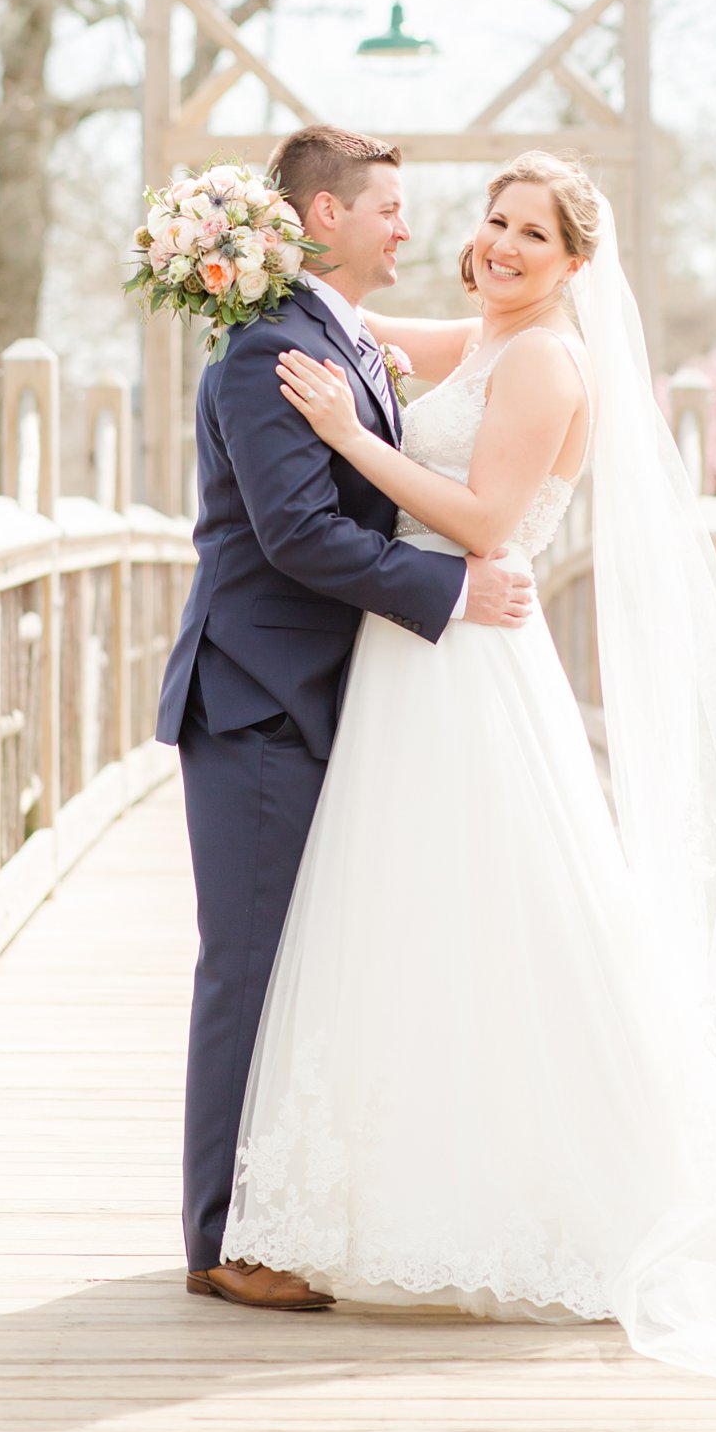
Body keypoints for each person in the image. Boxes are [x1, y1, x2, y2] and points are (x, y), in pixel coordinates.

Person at [219, 151, 716, 1413]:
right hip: (417, 662)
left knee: (499, 910)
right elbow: (352, 323)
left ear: (575, 264)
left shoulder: (543, 359)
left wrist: (338, 439)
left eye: (528, 234)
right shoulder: (489, 335)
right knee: (413, 916)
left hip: (466, 657)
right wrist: (239, 254)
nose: (495, 246)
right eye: (488, 222)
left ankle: (558, 1188)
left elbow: (485, 524)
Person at [154, 126, 534, 1313]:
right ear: (324, 219)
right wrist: (451, 589)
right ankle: (223, 1238)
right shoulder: (268, 351)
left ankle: (281, 1211)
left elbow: (498, 357)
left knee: (302, 968)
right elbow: (296, 538)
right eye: (387, 209)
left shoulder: (340, 338)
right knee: (250, 968)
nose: (409, 231)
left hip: (327, 697)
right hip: (261, 698)